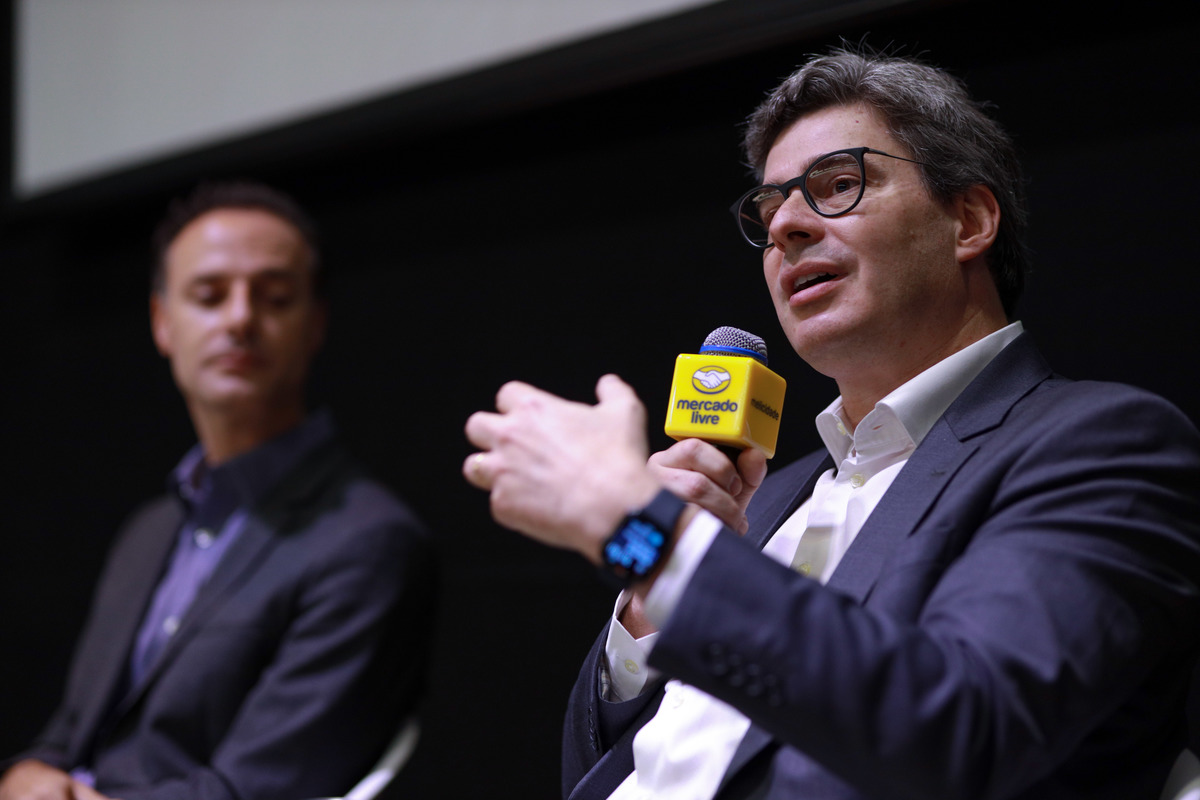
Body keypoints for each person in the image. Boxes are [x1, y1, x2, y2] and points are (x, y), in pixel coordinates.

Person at [462, 47, 1200, 799]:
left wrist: (646, 533)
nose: (785, 225)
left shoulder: (1100, 445)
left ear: (969, 220)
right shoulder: (764, 499)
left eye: (839, 185)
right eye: (769, 209)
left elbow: (961, 732)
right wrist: (648, 599)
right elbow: (603, 768)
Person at [0, 181, 436, 800]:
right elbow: (70, 737)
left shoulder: (370, 543)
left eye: (274, 297)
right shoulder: (149, 530)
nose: (239, 319)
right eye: (208, 295)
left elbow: (257, 790)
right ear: (162, 323)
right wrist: (24, 775)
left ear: (315, 324)